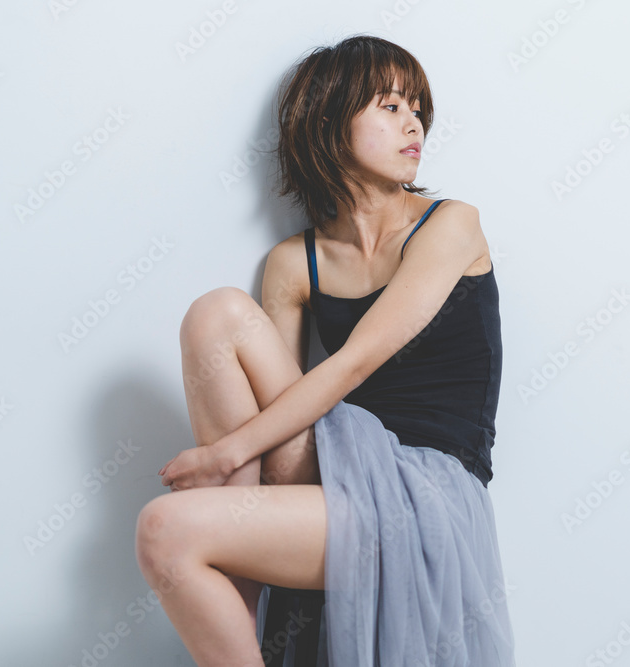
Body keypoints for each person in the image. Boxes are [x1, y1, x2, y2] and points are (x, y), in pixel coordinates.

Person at [135, 34, 517, 666]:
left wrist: (222, 454)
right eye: (390, 106)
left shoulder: (451, 223)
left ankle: (224, 554)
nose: (414, 123)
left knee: (166, 528)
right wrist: (237, 454)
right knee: (216, 315)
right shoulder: (295, 262)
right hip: (339, 460)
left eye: (417, 108)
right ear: (331, 122)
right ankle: (244, 606)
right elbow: (273, 414)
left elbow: (355, 361)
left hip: (427, 494)